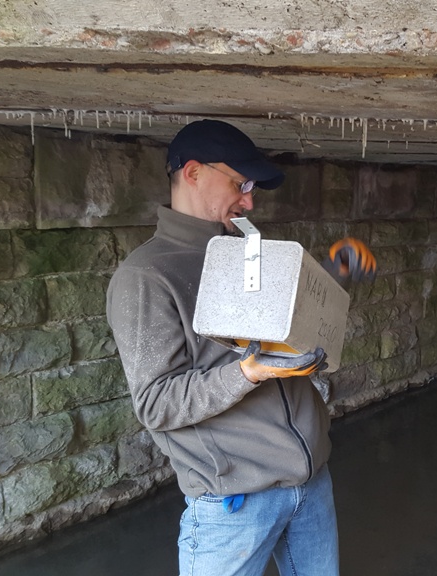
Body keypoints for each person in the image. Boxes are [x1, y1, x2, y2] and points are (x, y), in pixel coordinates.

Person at [105, 119, 375, 576]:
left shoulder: (246, 250)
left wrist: (332, 272)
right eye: (240, 183)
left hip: (310, 485)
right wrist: (248, 372)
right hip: (233, 505)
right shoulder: (147, 276)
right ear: (193, 173)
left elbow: (281, 328)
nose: (249, 200)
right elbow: (156, 403)